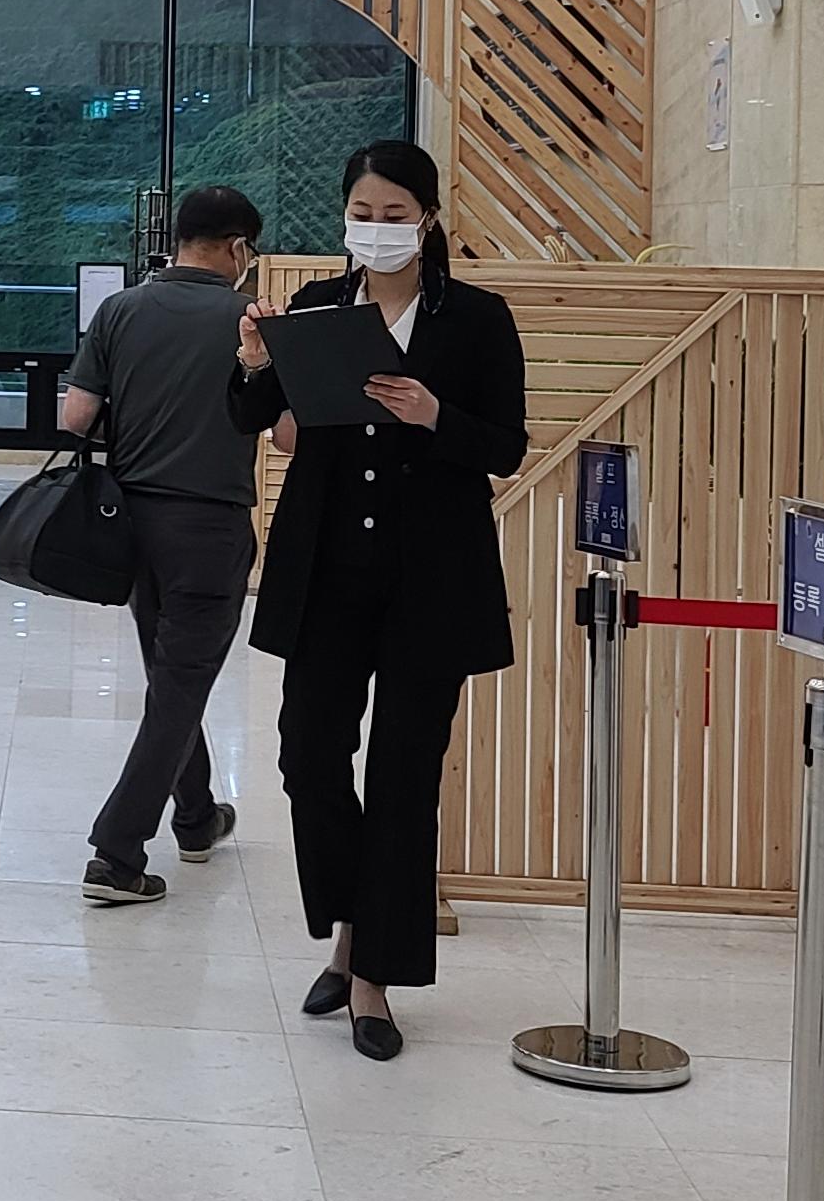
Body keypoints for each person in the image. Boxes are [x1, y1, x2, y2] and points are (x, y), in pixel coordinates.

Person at [229, 140, 525, 1059]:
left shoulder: (475, 318)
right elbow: (253, 418)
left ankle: (372, 979)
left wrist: (434, 416)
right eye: (364, 212)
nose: (379, 228)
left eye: (397, 214)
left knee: (404, 773)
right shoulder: (318, 306)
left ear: (428, 219)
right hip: (325, 568)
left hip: (431, 576)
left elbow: (505, 446)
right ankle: (350, 926)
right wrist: (254, 364)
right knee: (308, 756)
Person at [58, 185, 265, 906]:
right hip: (210, 526)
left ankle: (198, 816)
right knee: (180, 683)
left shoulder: (119, 310)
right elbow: (289, 433)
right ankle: (117, 855)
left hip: (130, 522)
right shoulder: (252, 320)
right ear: (238, 248)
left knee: (173, 678)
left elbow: (75, 416)